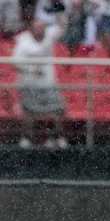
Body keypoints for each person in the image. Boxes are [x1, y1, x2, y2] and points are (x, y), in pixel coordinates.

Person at [13, 14, 68, 149]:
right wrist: (32, 70)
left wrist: (59, 10)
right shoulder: (23, 41)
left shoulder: (49, 35)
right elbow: (14, 64)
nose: (40, 30)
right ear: (31, 29)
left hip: (49, 83)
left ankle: (57, 137)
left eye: (42, 27)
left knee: (59, 109)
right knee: (29, 111)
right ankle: (26, 138)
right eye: (37, 28)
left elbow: (62, 27)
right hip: (29, 84)